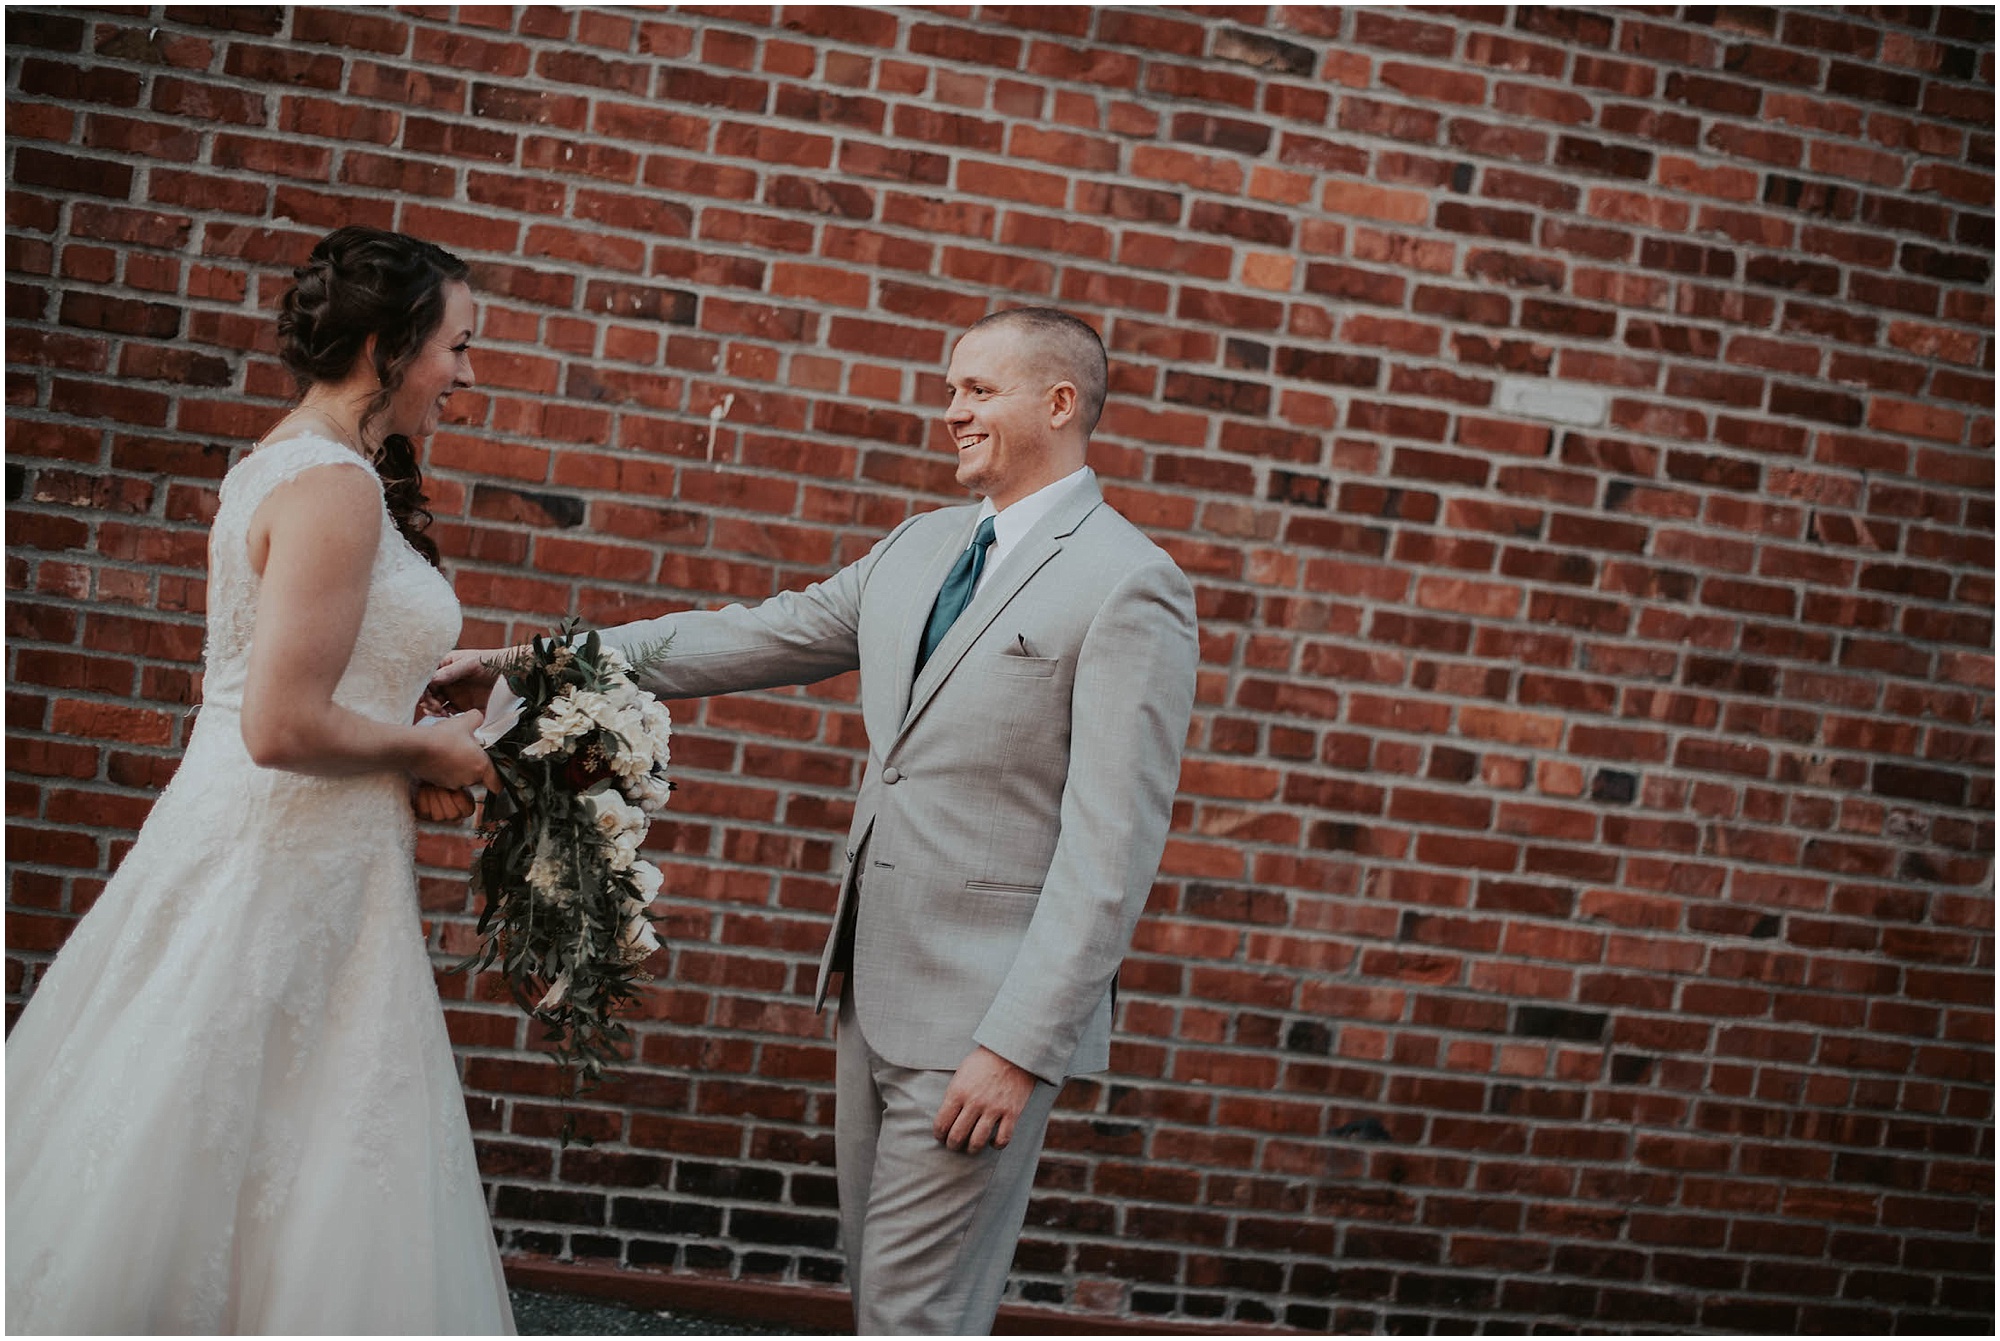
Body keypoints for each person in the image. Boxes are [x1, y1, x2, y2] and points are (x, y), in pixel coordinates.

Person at [435, 307, 1198, 1334]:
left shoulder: (1127, 582)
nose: (950, 412)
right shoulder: (920, 546)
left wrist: (1019, 1046)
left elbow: (1111, 847)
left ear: (1057, 403)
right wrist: (538, 662)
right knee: (878, 1292)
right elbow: (751, 635)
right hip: (869, 986)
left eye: (977, 390)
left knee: (911, 1312)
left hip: (983, 1018)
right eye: (949, 389)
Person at [6, 226, 515, 1333]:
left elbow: (317, 682)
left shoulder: (290, 463)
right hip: (282, 853)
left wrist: (413, 711)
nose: (466, 377)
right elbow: (280, 722)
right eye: (458, 349)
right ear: (388, 346)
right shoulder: (333, 485)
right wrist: (427, 750)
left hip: (293, 846)